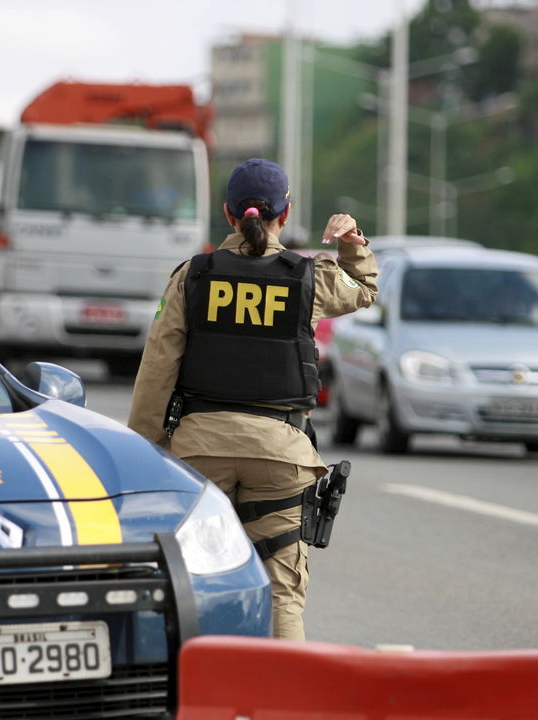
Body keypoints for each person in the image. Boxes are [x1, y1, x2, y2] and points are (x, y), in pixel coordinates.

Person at [127, 158, 378, 640]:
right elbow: (363, 287)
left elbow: (157, 371)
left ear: (227, 212)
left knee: (194, 586)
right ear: (285, 214)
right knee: (282, 594)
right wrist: (352, 243)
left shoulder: (191, 277)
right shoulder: (309, 278)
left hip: (199, 455)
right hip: (281, 455)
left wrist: (147, 457)